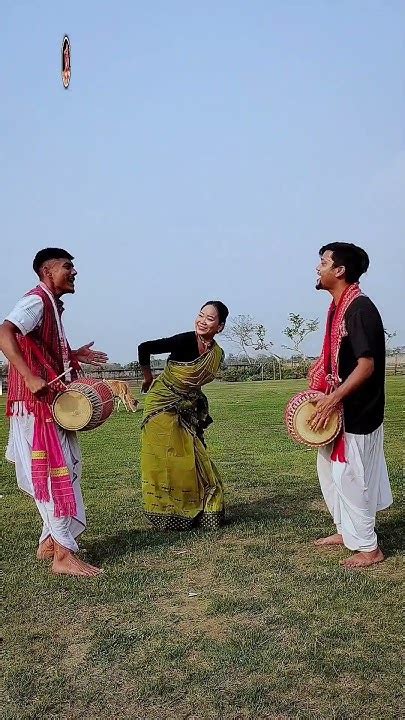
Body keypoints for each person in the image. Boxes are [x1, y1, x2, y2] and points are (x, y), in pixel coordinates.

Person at [0, 248, 108, 577]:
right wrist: (31, 377)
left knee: (66, 467)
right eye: (67, 267)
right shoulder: (36, 300)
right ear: (48, 272)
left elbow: (37, 347)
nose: (74, 272)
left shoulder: (51, 305)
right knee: (54, 473)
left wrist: (73, 353)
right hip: (37, 406)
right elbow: (4, 333)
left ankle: (50, 541)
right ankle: (63, 555)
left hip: (44, 404)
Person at [309, 242, 393, 568]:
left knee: (348, 476)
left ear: (339, 270)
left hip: (357, 411)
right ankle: (347, 531)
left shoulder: (359, 309)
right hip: (343, 408)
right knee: (328, 470)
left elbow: (366, 365)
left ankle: (370, 548)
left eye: (323, 262)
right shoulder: (339, 308)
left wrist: (332, 398)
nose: (318, 268)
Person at [138, 301, 228, 531]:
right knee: (171, 459)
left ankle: (202, 510)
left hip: (186, 408)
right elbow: (144, 347)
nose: (202, 321)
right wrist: (148, 378)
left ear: (220, 326)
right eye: (200, 315)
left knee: (194, 456)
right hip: (161, 405)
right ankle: (170, 514)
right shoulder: (186, 340)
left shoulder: (216, 353)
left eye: (210, 318)